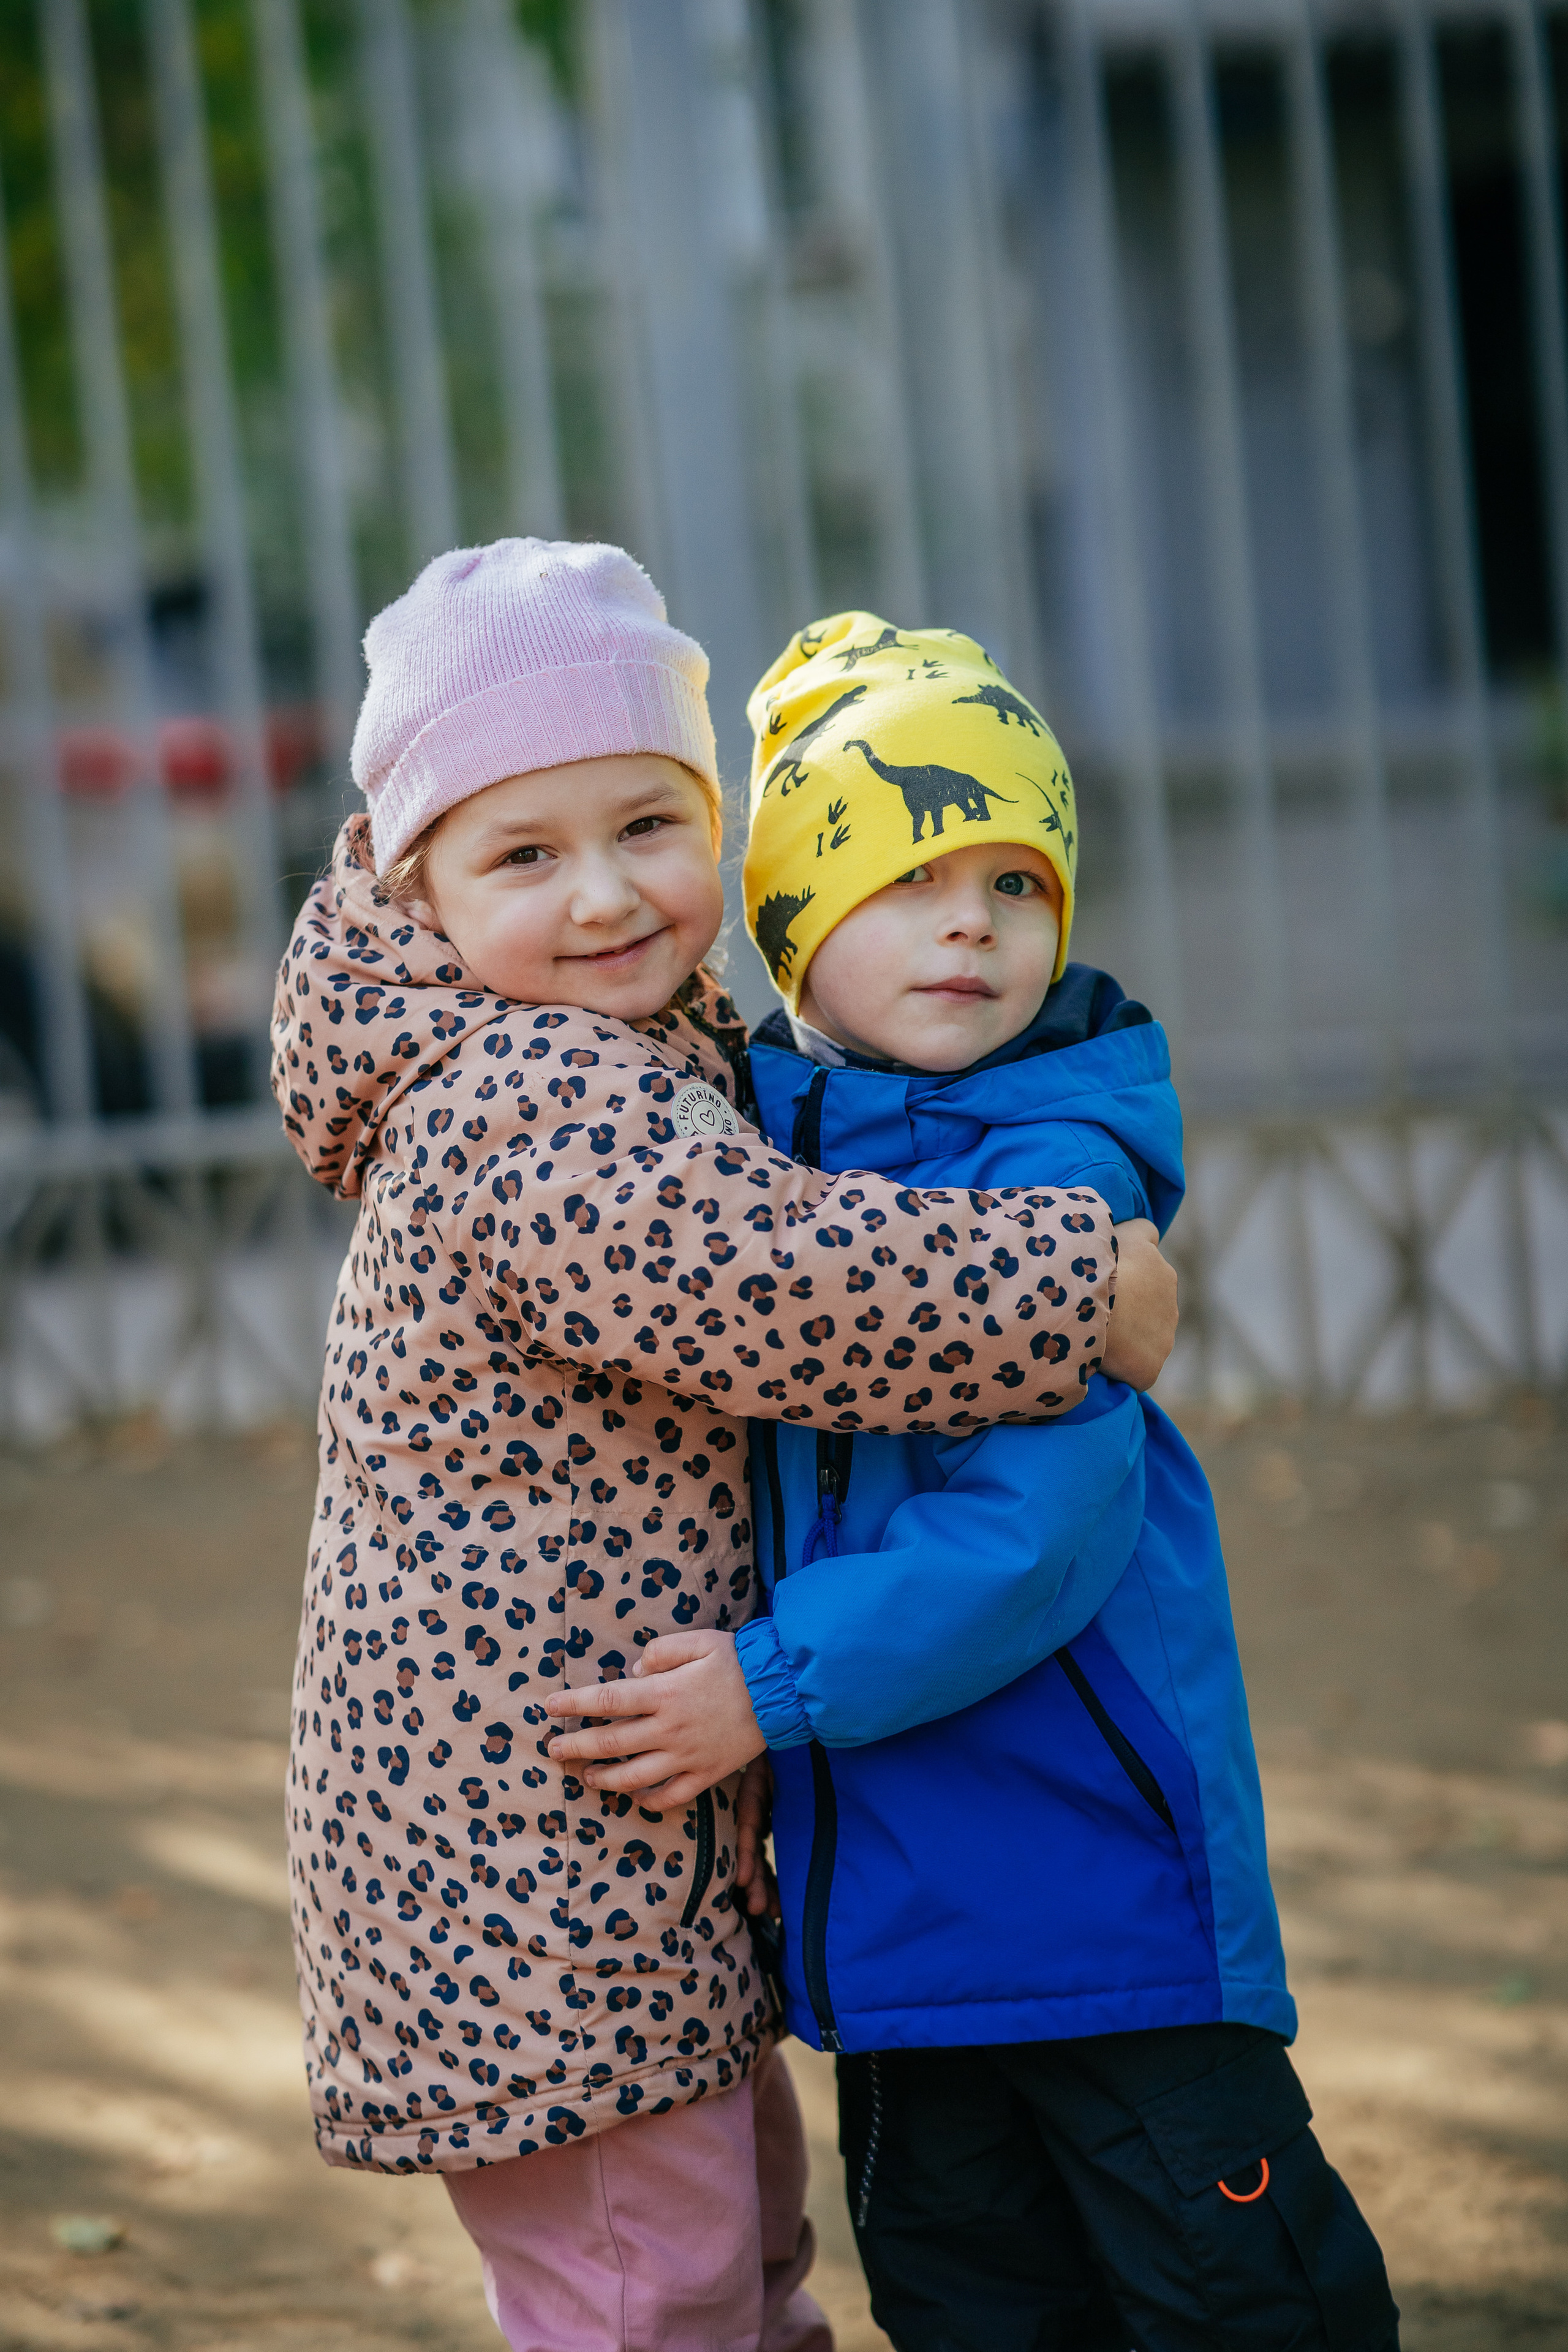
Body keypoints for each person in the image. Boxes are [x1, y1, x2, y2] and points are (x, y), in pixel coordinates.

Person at [271, 543, 1176, 2352]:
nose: (605, 896)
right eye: (526, 854)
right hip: (531, 1875)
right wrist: (1079, 1278)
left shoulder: (605, 1050)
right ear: (416, 881)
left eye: (650, 825)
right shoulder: (529, 1100)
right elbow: (782, 1289)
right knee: (651, 2297)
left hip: (607, 1845)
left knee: (729, 2259)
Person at [546, 612, 1400, 2352]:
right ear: (790, 927)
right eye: (909, 877)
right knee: (976, 2312)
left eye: (1019, 887)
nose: (973, 924)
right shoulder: (758, 1173)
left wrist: (766, 1688)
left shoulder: (1052, 1178)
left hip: (1103, 1913)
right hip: (910, 1950)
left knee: (1233, 2303)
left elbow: (1035, 1531)